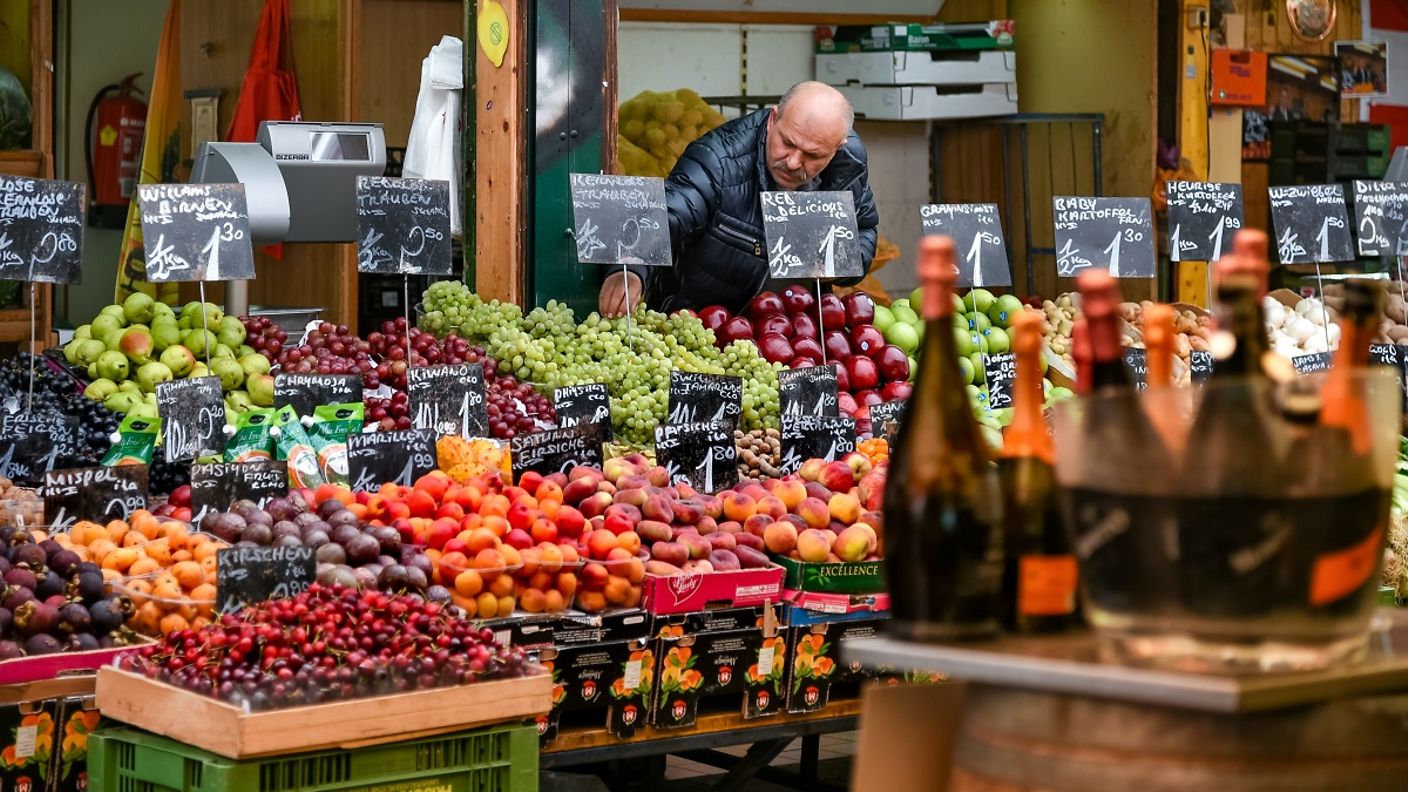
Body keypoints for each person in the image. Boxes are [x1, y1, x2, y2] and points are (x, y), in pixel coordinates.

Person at [599, 81, 880, 317]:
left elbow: (864, 228)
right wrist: (630, 268)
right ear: (773, 119)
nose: (794, 162)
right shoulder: (719, 158)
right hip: (710, 325)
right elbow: (666, 213)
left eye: (813, 155)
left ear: (836, 148)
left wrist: (839, 267)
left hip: (794, 334)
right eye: (788, 143)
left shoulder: (849, 161)